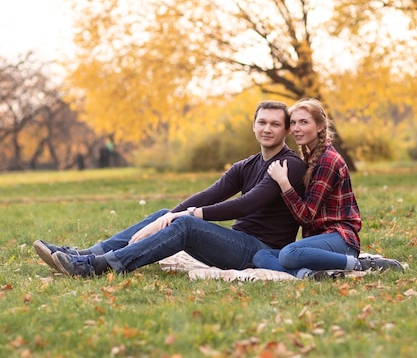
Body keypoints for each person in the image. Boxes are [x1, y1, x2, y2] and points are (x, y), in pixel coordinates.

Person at [33, 100, 307, 277]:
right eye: (262, 122)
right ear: (254, 125)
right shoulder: (247, 164)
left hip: (261, 250)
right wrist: (167, 217)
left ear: (285, 131)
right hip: (237, 241)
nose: (267, 129)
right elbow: (210, 194)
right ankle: (87, 253)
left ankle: (100, 266)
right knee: (167, 213)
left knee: (185, 224)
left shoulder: (289, 165)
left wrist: (190, 215)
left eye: (275, 124)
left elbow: (246, 205)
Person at [252, 98, 403, 279]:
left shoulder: (327, 160)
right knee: (261, 255)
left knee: (288, 254)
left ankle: (358, 264)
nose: (296, 128)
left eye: (304, 122)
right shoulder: (311, 157)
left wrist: (284, 183)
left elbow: (306, 216)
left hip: (340, 239)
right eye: (293, 123)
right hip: (317, 241)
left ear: (320, 127)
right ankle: (309, 275)